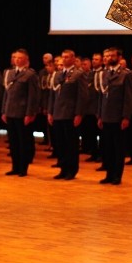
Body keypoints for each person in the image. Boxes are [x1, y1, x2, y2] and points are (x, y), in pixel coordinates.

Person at [96, 47, 132, 185]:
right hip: (106, 116)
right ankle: (108, 174)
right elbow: (102, 96)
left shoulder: (125, 74)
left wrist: (126, 117)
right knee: (107, 148)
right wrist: (100, 115)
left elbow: (129, 98)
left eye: (111, 56)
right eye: (106, 56)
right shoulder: (104, 74)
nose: (108, 58)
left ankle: (117, 176)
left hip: (118, 117)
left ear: (119, 57)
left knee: (118, 149)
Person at [47, 49, 88, 180]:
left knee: (71, 144)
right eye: (62, 57)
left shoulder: (78, 74)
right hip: (58, 113)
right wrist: (50, 111)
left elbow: (82, 96)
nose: (64, 59)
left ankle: (72, 170)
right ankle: (63, 169)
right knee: (60, 144)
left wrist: (78, 114)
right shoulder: (58, 74)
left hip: (70, 114)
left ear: (73, 58)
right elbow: (52, 95)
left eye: (67, 57)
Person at [2, 48, 39, 177]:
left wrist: (29, 113)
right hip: (10, 112)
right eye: (15, 57)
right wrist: (4, 110)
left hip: (22, 113)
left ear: (26, 60)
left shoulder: (30, 74)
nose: (17, 60)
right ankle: (15, 167)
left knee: (23, 142)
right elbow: (6, 94)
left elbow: (32, 96)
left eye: (20, 58)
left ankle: (23, 168)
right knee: (13, 142)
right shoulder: (10, 73)